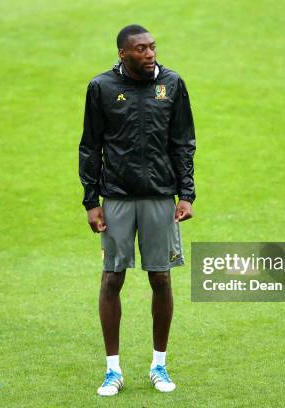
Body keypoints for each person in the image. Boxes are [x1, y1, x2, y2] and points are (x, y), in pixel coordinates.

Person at [78, 24, 196, 397]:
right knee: (112, 279)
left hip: (161, 196)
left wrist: (186, 194)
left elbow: (183, 142)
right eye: (141, 49)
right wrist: (92, 201)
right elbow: (90, 146)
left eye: (152, 47)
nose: (150, 54)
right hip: (116, 198)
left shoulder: (173, 85)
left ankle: (158, 364)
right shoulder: (101, 88)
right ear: (123, 54)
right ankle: (113, 371)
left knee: (160, 278)